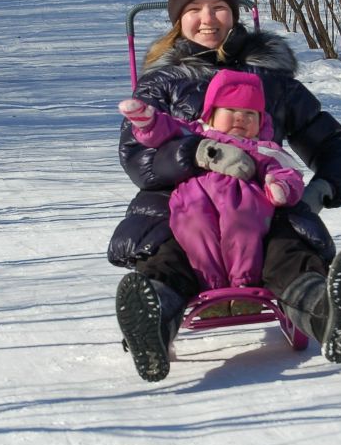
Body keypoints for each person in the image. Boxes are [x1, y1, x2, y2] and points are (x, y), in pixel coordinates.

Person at [108, 0, 341, 382]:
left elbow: (330, 142)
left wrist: (321, 188)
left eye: (218, 7)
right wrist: (195, 154)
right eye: (193, 9)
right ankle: (152, 322)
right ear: (179, 19)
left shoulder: (272, 81)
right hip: (182, 205)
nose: (206, 19)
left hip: (261, 203)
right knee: (168, 257)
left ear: (233, 13)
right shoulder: (163, 84)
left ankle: (325, 313)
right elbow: (137, 157)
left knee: (289, 253)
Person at [118, 69, 304, 291]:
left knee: (242, 229)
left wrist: (280, 186)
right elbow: (166, 130)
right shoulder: (196, 132)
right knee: (195, 230)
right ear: (211, 113)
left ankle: (243, 283)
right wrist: (148, 122)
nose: (241, 118)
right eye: (231, 110)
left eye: (250, 114)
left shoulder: (262, 147)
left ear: (261, 121)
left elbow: (288, 170)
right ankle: (211, 286)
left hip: (244, 199)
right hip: (193, 197)